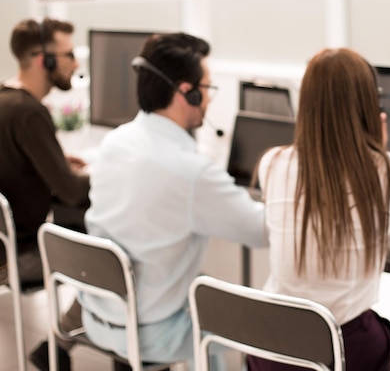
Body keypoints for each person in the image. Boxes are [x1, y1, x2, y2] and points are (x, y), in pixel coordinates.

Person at [78, 32, 266, 369]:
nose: (208, 99)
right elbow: (258, 231)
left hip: (96, 316)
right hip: (150, 335)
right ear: (187, 93)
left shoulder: (114, 143)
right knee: (226, 317)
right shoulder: (191, 173)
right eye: (207, 89)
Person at [247, 47, 390, 371]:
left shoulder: (272, 162)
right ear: (370, 105)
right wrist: (379, 155)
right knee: (384, 332)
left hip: (270, 348)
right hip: (342, 351)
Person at [0, 17, 90, 370]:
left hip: (3, 246)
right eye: (68, 55)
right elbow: (69, 191)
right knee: (116, 257)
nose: (76, 63)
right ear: (44, 60)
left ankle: (58, 345)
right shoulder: (30, 113)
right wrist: (110, 173)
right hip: (19, 257)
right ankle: (60, 344)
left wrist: (54, 159)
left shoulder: (6, 100)